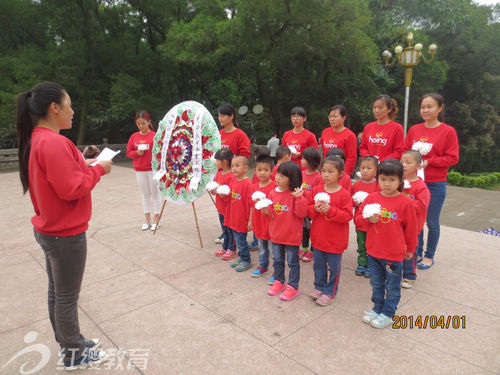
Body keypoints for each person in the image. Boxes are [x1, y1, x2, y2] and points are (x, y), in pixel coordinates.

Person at [16, 81, 110, 370]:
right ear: (54, 108)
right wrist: (98, 170)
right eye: (69, 105)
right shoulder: (54, 142)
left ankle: (71, 341)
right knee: (66, 296)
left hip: (49, 230)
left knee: (57, 292)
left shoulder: (38, 138)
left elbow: (62, 174)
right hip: (65, 235)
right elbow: (71, 189)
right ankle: (73, 352)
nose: (72, 111)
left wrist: (86, 162)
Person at [356, 160, 417, 328]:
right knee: (376, 283)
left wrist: (410, 248)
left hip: (394, 255)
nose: (387, 184)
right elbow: (358, 220)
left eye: (392, 179)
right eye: (383, 179)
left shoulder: (405, 202)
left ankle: (389, 313)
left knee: (392, 286)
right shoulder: (372, 198)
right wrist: (369, 219)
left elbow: (411, 229)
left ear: (400, 180)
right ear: (377, 179)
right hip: (374, 252)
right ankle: (377, 308)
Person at [404, 93, 459, 270]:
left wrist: (430, 161)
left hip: (435, 183)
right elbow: (405, 152)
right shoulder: (414, 129)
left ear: (440, 108)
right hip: (413, 182)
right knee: (414, 217)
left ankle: (429, 255)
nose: (425, 110)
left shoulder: (448, 131)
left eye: (430, 106)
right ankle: (416, 250)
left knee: (431, 221)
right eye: (423, 107)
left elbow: (453, 157)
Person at [308, 157, 353, 306]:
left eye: (330, 171)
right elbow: (308, 211)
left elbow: (347, 216)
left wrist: (331, 210)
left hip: (335, 240)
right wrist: (314, 209)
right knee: (318, 265)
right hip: (318, 237)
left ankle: (330, 291)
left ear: (340, 174)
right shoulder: (316, 190)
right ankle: (319, 286)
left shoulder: (344, 195)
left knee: (334, 267)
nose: (326, 174)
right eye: (324, 171)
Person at [264, 161, 307, 301]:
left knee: (292, 262)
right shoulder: (272, 193)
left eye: (283, 176)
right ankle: (279, 282)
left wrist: (299, 198)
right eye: (278, 174)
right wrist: (266, 209)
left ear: (292, 178)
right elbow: (271, 213)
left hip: (292, 236)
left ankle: (293, 287)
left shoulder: (296, 194)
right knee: (277, 260)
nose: (278, 177)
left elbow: (301, 214)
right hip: (276, 234)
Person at [126, 111, 162, 231]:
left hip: (153, 169)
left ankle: (157, 218)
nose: (141, 126)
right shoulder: (134, 136)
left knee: (155, 194)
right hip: (139, 169)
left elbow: (161, 151)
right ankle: (147, 219)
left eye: (143, 123)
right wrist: (137, 152)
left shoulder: (155, 136)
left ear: (149, 122)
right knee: (145, 194)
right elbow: (129, 152)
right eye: (138, 124)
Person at [400, 150, 430, 288]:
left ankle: (409, 275)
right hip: (397, 224)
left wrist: (404, 200)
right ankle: (394, 271)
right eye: (402, 162)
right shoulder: (398, 181)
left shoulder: (421, 186)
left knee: (410, 250)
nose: (403, 165)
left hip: (413, 226)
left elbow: (422, 206)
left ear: (418, 166)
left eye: (408, 162)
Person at [352, 156, 379, 278]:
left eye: (369, 168)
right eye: (362, 168)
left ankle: (371, 265)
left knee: (372, 244)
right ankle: (362, 262)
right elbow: (350, 200)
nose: (365, 171)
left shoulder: (378, 185)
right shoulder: (357, 184)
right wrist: (355, 203)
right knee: (361, 243)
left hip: (372, 222)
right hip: (359, 221)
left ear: (376, 170)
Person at [250, 155, 276, 278]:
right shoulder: (254, 187)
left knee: (273, 250)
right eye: (259, 170)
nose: (262, 173)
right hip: (258, 223)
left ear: (271, 171)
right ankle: (263, 266)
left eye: (266, 170)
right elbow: (251, 206)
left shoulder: (275, 187)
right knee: (261, 247)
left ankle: (277, 271)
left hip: (271, 224)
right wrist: (250, 221)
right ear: (255, 171)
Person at [226, 156, 254, 271]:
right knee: (237, 240)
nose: (234, 168)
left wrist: (251, 220)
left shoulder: (247, 184)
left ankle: (246, 260)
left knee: (241, 240)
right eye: (232, 166)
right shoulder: (233, 180)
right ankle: (242, 256)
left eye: (237, 166)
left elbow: (252, 204)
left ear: (246, 168)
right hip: (234, 217)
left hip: (242, 219)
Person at [360, 95, 404, 162]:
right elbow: (363, 148)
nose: (377, 110)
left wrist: (380, 161)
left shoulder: (397, 128)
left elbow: (398, 152)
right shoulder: (368, 127)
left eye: (380, 108)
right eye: (374, 107)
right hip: (369, 167)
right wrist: (369, 159)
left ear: (389, 109)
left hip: (387, 168)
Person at [319, 105, 358, 176]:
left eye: (335, 116)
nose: (332, 119)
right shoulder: (325, 132)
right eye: (330, 116)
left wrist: (344, 174)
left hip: (340, 173)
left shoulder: (350, 135)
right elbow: (324, 152)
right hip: (326, 172)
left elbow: (351, 158)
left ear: (343, 118)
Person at [299, 147, 322, 263]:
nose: (301, 160)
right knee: (303, 229)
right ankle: (304, 247)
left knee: (312, 229)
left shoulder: (319, 176)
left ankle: (312, 250)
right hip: (302, 206)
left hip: (312, 208)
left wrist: (305, 192)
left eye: (303, 158)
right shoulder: (301, 173)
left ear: (310, 160)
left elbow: (317, 194)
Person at [212, 149, 236, 259]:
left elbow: (232, 193)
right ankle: (225, 246)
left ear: (224, 161)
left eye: (217, 160)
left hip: (229, 208)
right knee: (224, 228)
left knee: (230, 229)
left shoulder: (231, 176)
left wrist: (224, 194)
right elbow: (216, 187)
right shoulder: (219, 174)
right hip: (220, 207)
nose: (215, 162)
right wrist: (213, 190)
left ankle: (231, 248)